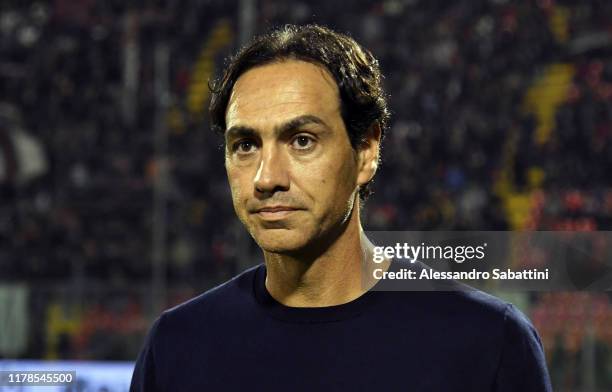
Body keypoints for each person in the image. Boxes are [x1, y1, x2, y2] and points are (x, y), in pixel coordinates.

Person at [130, 24, 552, 391]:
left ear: (366, 151)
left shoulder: (487, 341)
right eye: (245, 145)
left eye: (302, 141)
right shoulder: (177, 346)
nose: (266, 177)